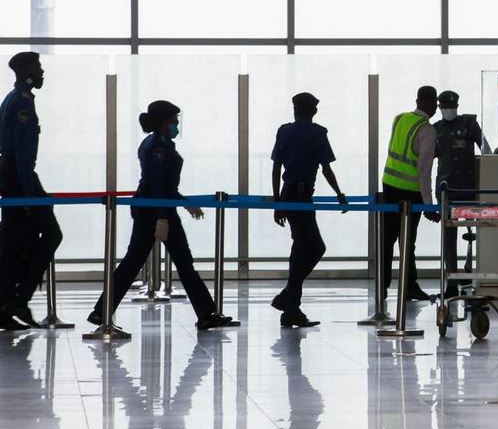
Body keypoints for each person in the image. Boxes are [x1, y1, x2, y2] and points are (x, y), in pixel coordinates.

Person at [87, 100, 234, 330]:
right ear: (165, 121)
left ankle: (206, 313)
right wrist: (162, 218)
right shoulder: (158, 146)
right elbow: (156, 185)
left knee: (155, 263)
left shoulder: (159, 143)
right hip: (154, 211)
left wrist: (184, 203)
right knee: (149, 263)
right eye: (174, 119)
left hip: (158, 207)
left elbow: (165, 185)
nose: (177, 123)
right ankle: (101, 311)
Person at [270, 92, 347, 328]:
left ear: (294, 110)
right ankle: (290, 302)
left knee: (302, 247)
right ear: (314, 111)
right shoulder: (317, 133)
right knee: (313, 247)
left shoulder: (284, 131)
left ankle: (289, 302)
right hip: (303, 196)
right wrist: (339, 194)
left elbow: (276, 168)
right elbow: (326, 169)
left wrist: (278, 201)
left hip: (288, 194)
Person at [0, 51, 62, 330]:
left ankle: (9, 303)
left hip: (16, 174)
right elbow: (22, 153)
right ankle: (18, 299)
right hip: (19, 176)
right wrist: (27, 194)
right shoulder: (21, 103)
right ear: (25, 71)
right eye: (37, 67)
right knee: (49, 234)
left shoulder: (15, 99)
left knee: (14, 245)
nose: (42, 72)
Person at [381, 86, 440, 301]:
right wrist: (428, 206)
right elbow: (424, 171)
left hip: (389, 184)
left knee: (387, 239)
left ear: (416, 100)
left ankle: (383, 287)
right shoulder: (427, 130)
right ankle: (409, 286)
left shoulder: (400, 119)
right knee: (407, 241)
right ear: (433, 104)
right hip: (409, 192)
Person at [433, 90, 489, 298]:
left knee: (476, 231)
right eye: (445, 106)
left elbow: (485, 149)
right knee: (449, 237)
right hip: (447, 188)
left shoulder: (469, 125)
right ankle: (452, 282)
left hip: (469, 186)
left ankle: (473, 272)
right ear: (440, 108)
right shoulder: (435, 129)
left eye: (452, 106)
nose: (449, 110)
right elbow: (428, 160)